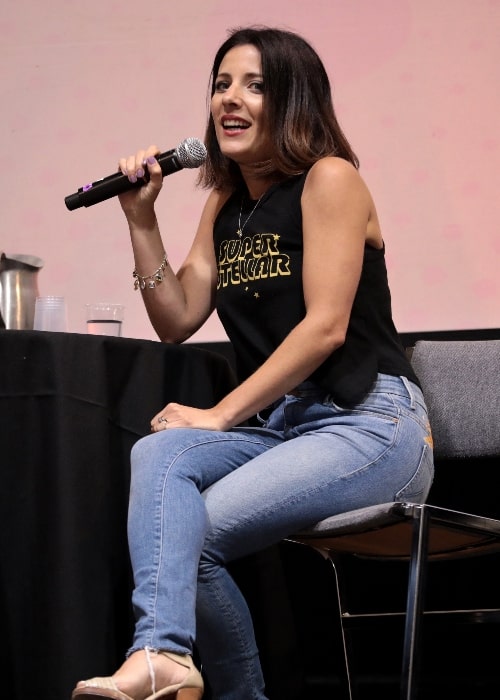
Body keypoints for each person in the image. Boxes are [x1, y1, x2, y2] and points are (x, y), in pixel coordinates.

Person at [72, 25, 434, 700]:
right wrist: (141, 221)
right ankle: (162, 656)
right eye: (220, 83)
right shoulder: (225, 204)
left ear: (294, 101)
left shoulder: (331, 179)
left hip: (372, 423)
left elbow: (324, 329)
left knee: (186, 535)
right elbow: (177, 319)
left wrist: (218, 415)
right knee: (159, 457)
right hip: (289, 427)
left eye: (255, 85)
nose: (229, 100)